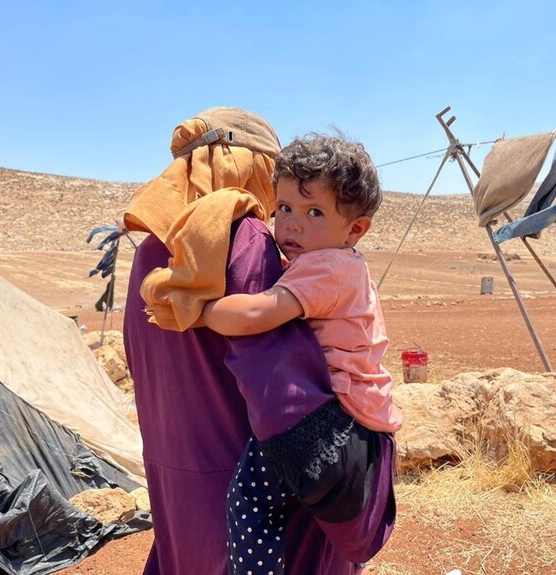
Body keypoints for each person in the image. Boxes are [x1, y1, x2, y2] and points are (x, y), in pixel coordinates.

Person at [123, 107, 396, 575]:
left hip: (175, 478)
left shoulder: (151, 248)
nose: (278, 211)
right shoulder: (238, 236)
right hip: (247, 475)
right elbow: (285, 385)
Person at [199, 133, 402, 574]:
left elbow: (256, 312)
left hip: (334, 419)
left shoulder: (325, 266)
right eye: (284, 208)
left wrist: (198, 308)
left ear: (355, 229)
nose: (291, 224)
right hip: (362, 420)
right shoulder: (346, 265)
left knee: (250, 497)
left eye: (314, 212)